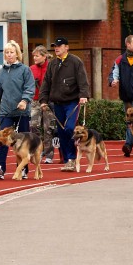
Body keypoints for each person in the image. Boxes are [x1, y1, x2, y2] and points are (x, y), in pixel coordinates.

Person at [38, 37, 90, 172]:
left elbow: (83, 80)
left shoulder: (75, 62)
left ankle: (72, 158)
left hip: (72, 102)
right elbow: (46, 83)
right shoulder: (52, 64)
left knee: (69, 128)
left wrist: (83, 95)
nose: (56, 48)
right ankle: (68, 160)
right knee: (61, 132)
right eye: (55, 46)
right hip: (57, 103)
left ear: (66, 47)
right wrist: (43, 100)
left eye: (59, 46)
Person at [0, 40, 35, 179]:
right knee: (2, 139)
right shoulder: (2, 72)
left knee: (23, 142)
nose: (9, 55)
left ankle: (23, 169)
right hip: (6, 111)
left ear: (17, 54)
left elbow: (30, 87)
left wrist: (24, 100)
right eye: (7, 52)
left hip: (22, 111)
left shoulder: (25, 70)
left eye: (11, 52)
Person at [29, 45, 56, 164]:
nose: (34, 58)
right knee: (33, 125)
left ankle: (49, 153)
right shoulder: (31, 69)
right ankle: (38, 151)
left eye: (37, 56)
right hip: (35, 101)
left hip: (48, 101)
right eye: (33, 56)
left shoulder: (51, 67)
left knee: (48, 128)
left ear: (44, 56)